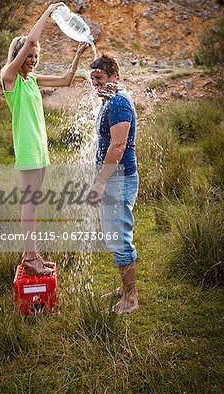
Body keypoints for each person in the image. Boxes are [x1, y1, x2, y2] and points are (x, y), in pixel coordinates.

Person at [1, 2, 88, 276]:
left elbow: (66, 81)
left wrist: (77, 56)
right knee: (29, 205)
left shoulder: (32, 81)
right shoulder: (10, 78)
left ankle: (34, 254)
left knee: (33, 206)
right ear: (19, 54)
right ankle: (29, 257)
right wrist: (49, 11)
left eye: (36, 56)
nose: (33, 59)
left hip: (39, 150)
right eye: (29, 55)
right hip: (27, 151)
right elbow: (32, 39)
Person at [89, 54, 139, 314]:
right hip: (114, 180)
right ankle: (125, 287)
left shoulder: (118, 103)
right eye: (92, 79)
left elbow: (117, 147)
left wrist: (99, 183)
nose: (95, 84)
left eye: (99, 78)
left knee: (120, 239)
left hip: (118, 181)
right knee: (116, 237)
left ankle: (131, 298)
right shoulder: (110, 101)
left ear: (114, 77)